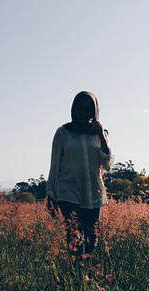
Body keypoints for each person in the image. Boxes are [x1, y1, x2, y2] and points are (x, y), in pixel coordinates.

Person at [46, 91, 113, 259]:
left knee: (92, 239)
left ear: (94, 111)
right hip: (68, 193)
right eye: (80, 109)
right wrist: (51, 194)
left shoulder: (100, 133)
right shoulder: (63, 133)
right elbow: (54, 166)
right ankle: (79, 279)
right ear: (73, 110)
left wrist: (102, 137)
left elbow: (107, 164)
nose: (83, 113)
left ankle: (80, 274)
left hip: (93, 194)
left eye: (88, 109)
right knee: (76, 238)